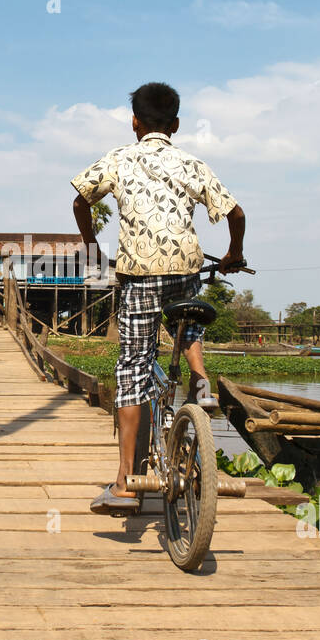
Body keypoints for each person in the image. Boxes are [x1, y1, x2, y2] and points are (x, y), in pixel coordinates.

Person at [70, 82, 246, 514]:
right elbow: (237, 214)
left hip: (140, 275)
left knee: (132, 368)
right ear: (176, 124)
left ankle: (126, 485)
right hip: (184, 269)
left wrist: (93, 246)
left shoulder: (119, 158)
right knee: (186, 325)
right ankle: (199, 377)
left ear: (135, 122)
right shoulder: (192, 163)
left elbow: (80, 202)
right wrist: (234, 254)